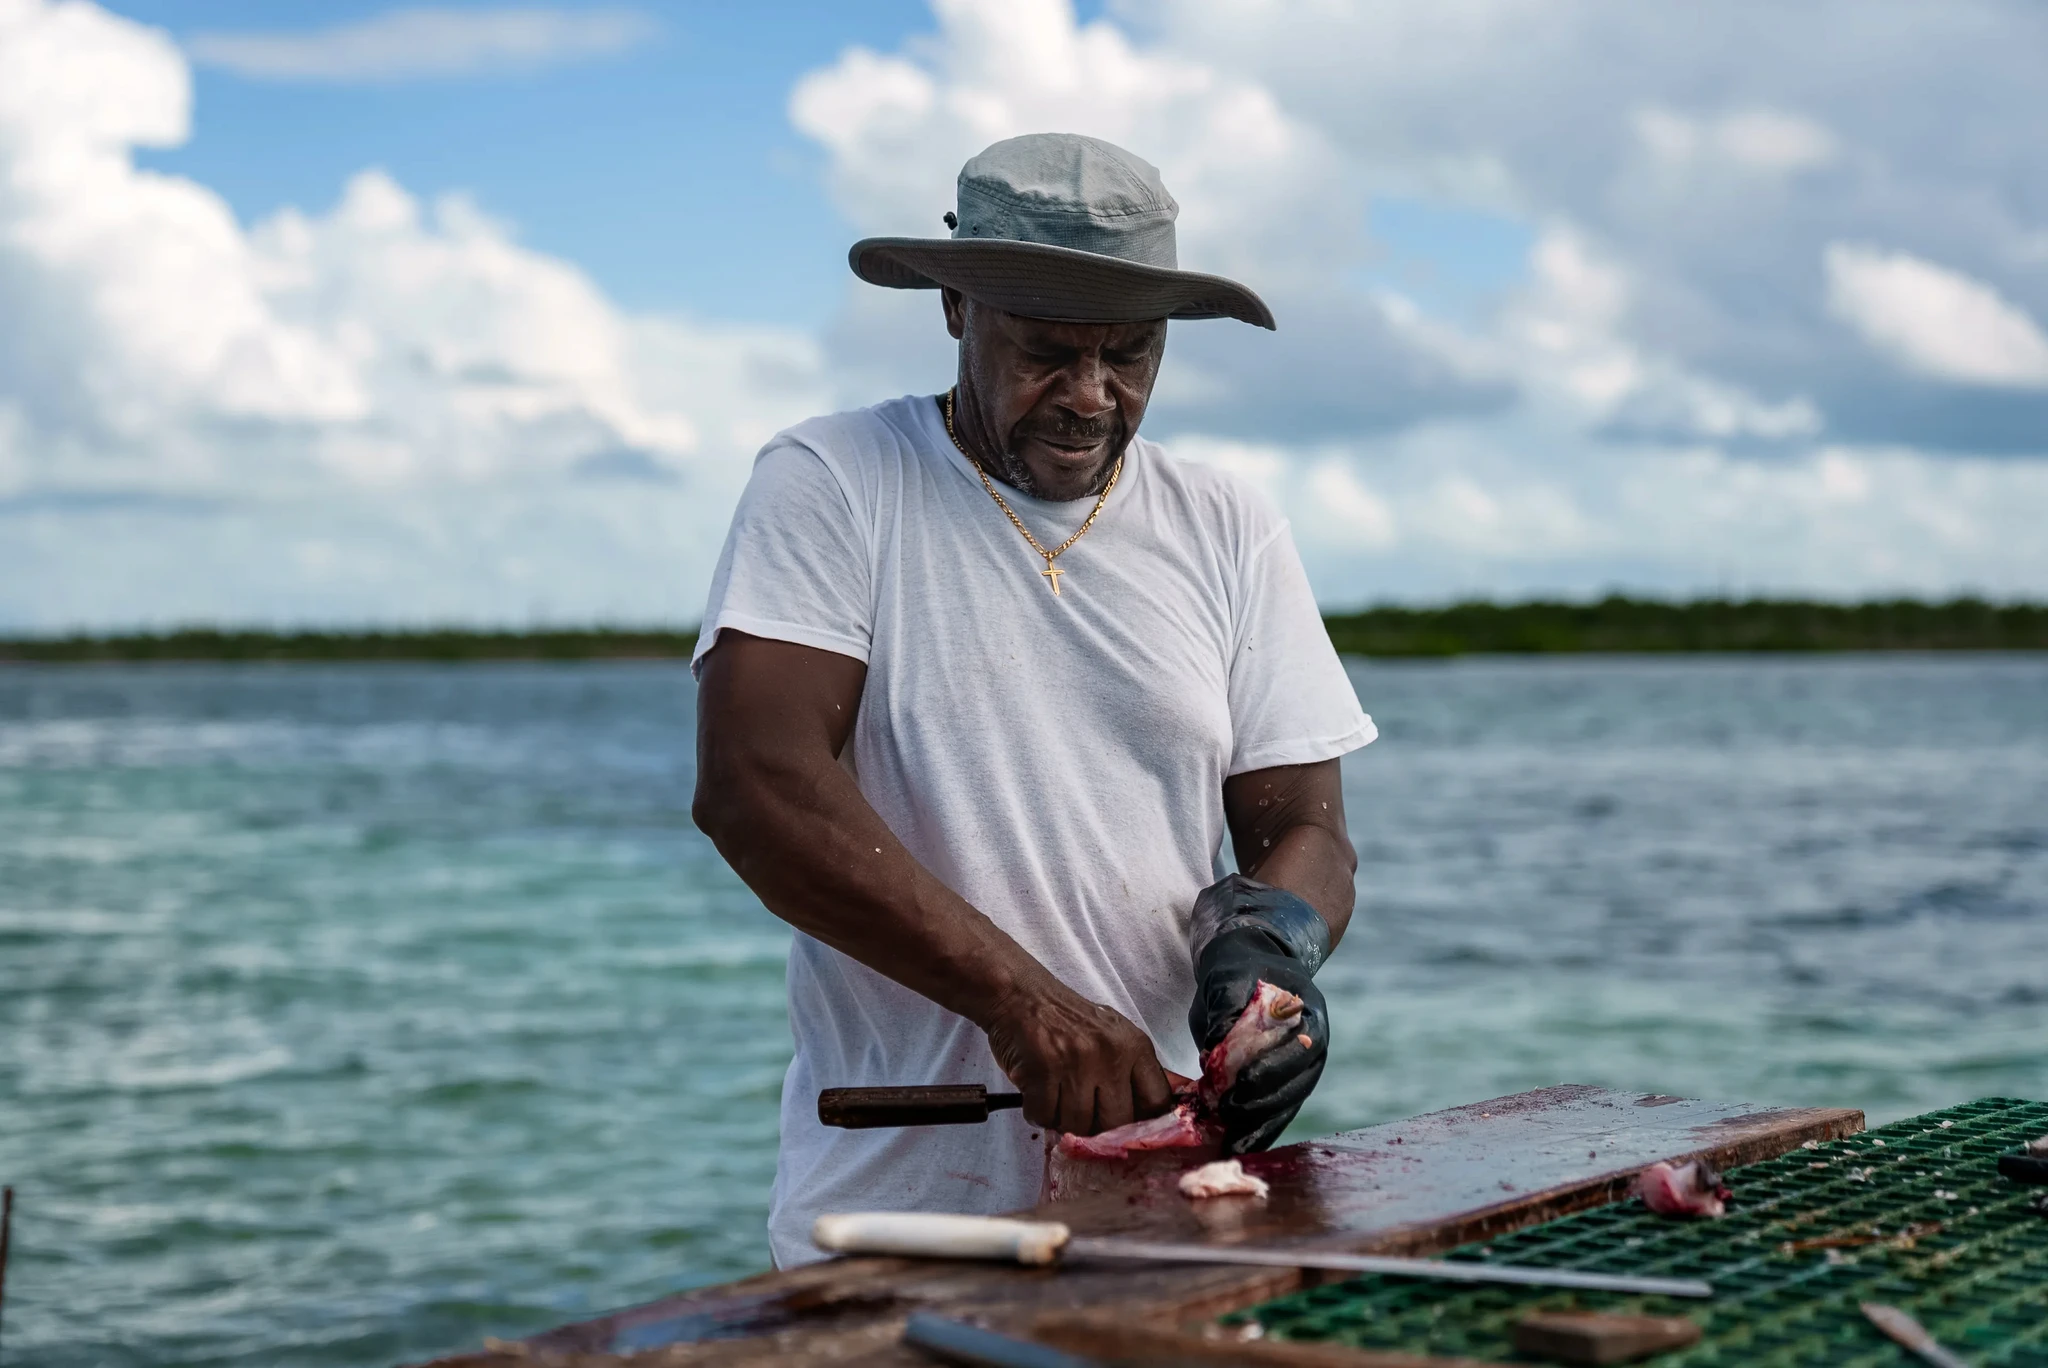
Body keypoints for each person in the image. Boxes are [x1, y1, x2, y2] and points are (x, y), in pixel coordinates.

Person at [691, 132, 1376, 1268]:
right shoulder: (834, 482)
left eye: (1130, 355)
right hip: (896, 1202)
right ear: (955, 311)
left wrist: (1264, 956)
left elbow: (1304, 828)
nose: (1091, 397)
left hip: (1172, 1191)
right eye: (1047, 353)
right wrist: (1024, 1005)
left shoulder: (1225, 524)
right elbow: (756, 788)